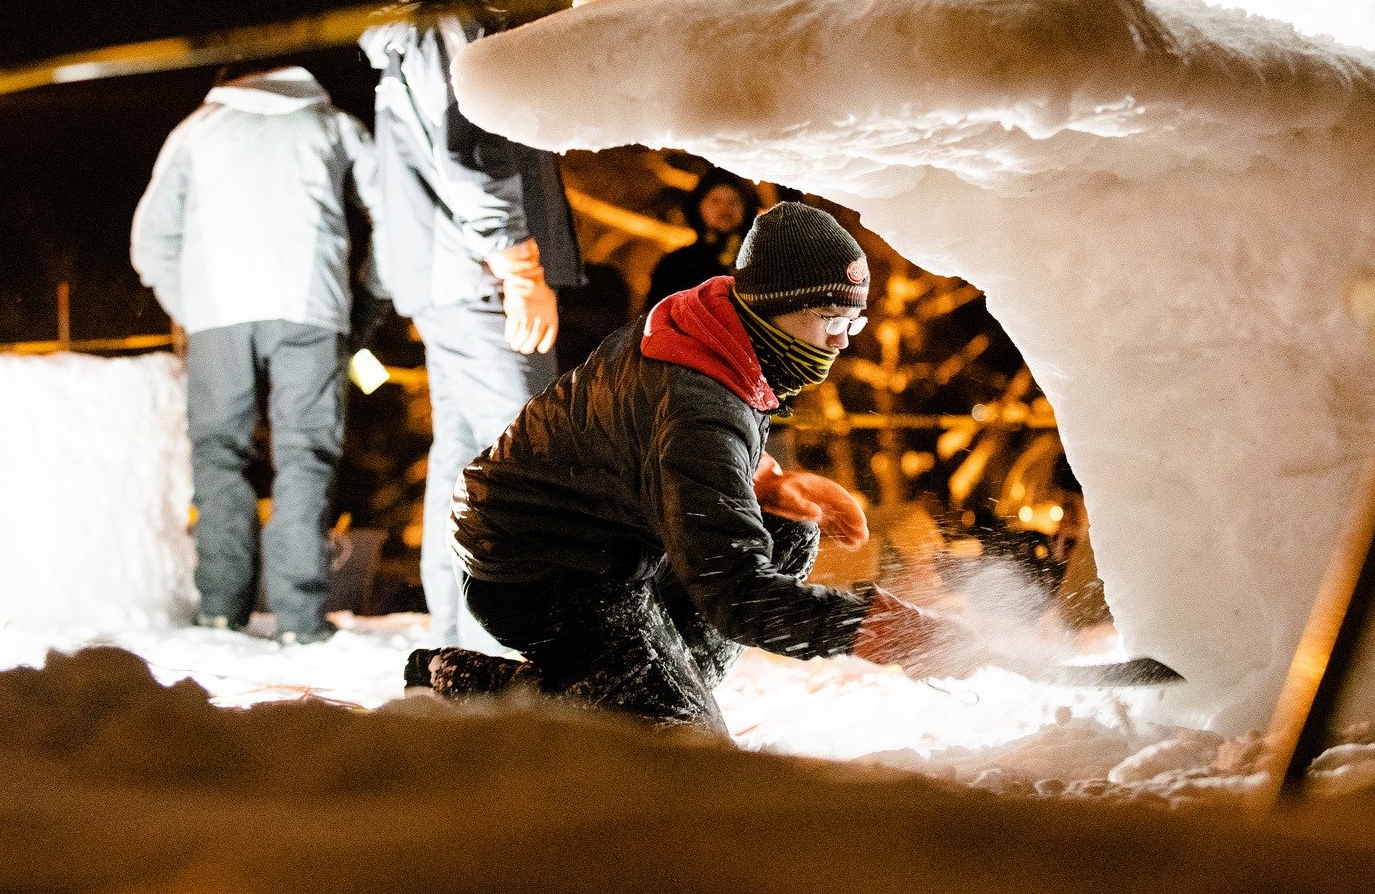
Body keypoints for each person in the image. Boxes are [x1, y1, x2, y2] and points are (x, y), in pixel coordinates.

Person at [407, 202, 985, 732]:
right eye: (829, 314)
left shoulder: (721, 337)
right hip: (540, 563)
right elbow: (733, 593)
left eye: (853, 320)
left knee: (784, 534)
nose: (841, 338)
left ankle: (622, 689)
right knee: (682, 746)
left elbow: (660, 454)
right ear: (773, 306)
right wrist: (878, 626)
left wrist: (765, 482)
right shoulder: (698, 399)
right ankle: (521, 691)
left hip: (608, 540)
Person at [359, 0, 582, 651]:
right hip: (480, 274)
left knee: (468, 459)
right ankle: (522, 638)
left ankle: (464, 633)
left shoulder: (435, 26)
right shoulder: (448, 21)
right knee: (528, 449)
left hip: (450, 276)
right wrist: (519, 259)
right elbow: (471, 148)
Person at [130, 65, 379, 640]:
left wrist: (193, 305)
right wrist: (367, 296)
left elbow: (149, 239)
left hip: (217, 314)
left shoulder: (196, 130)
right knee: (305, 455)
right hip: (312, 307)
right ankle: (299, 617)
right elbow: (389, 216)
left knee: (219, 456)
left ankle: (221, 608)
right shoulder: (333, 125)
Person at [643, 165, 761, 311]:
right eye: (715, 201)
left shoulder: (761, 262)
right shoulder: (675, 265)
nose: (725, 209)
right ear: (698, 207)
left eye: (734, 201)